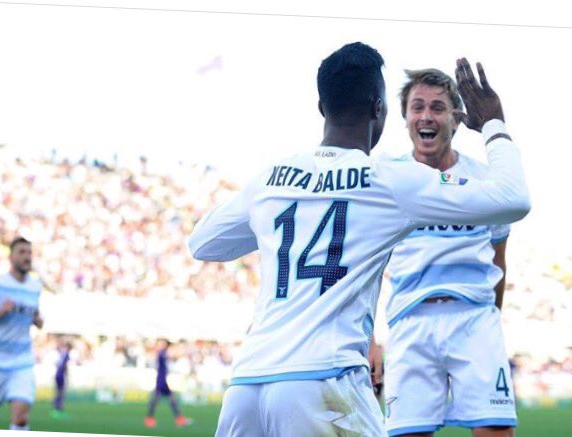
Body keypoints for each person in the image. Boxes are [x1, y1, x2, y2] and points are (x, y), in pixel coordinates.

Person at [189, 42, 530, 436]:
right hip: (323, 380)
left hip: (247, 386)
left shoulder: (272, 177)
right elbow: (513, 199)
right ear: (379, 109)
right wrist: (494, 124)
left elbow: (204, 243)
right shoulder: (388, 179)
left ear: (322, 107)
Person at [371, 68, 519, 437]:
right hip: (409, 320)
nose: (426, 116)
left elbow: (499, 260)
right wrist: (371, 339)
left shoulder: (486, 180)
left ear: (456, 118)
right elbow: (366, 269)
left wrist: (490, 326)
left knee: (495, 432)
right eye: (417, 107)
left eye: (438, 108)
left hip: (474, 318)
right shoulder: (386, 178)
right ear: (405, 118)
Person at [0, 237, 44, 431]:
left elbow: (34, 313)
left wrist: (37, 319)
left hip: (22, 363)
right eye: (22, 252)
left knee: (21, 419)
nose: (27, 257)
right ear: (11, 257)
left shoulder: (35, 287)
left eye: (29, 253)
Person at [144, 339, 192, 428]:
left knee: (170, 399)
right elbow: (170, 356)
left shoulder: (163, 352)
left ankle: (179, 419)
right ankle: (149, 419)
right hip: (161, 380)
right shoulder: (162, 353)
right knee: (157, 399)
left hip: (163, 379)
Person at [51, 340, 72, 419]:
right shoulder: (66, 355)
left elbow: (57, 364)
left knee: (58, 393)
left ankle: (56, 410)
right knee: (61, 393)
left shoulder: (61, 354)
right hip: (61, 375)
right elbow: (64, 366)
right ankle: (58, 410)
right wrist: (67, 375)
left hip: (57, 374)